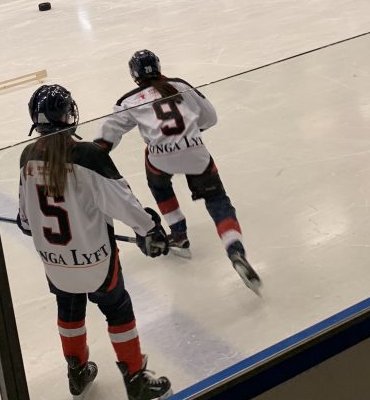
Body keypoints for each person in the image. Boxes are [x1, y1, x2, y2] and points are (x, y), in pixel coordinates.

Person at [18, 84, 171, 400]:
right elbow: (124, 203)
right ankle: (135, 378)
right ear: (68, 116)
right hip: (97, 262)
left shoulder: (27, 157)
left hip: (56, 265)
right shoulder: (88, 156)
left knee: (69, 309)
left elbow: (26, 222)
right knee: (118, 309)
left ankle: (77, 372)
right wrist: (150, 229)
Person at [95, 51, 260, 294]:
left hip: (161, 160)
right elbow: (210, 118)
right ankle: (235, 249)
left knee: (158, 182)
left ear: (134, 74)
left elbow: (106, 138)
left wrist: (92, 156)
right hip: (196, 154)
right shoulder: (180, 86)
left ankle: (179, 235)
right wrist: (189, 135)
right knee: (217, 200)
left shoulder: (129, 100)